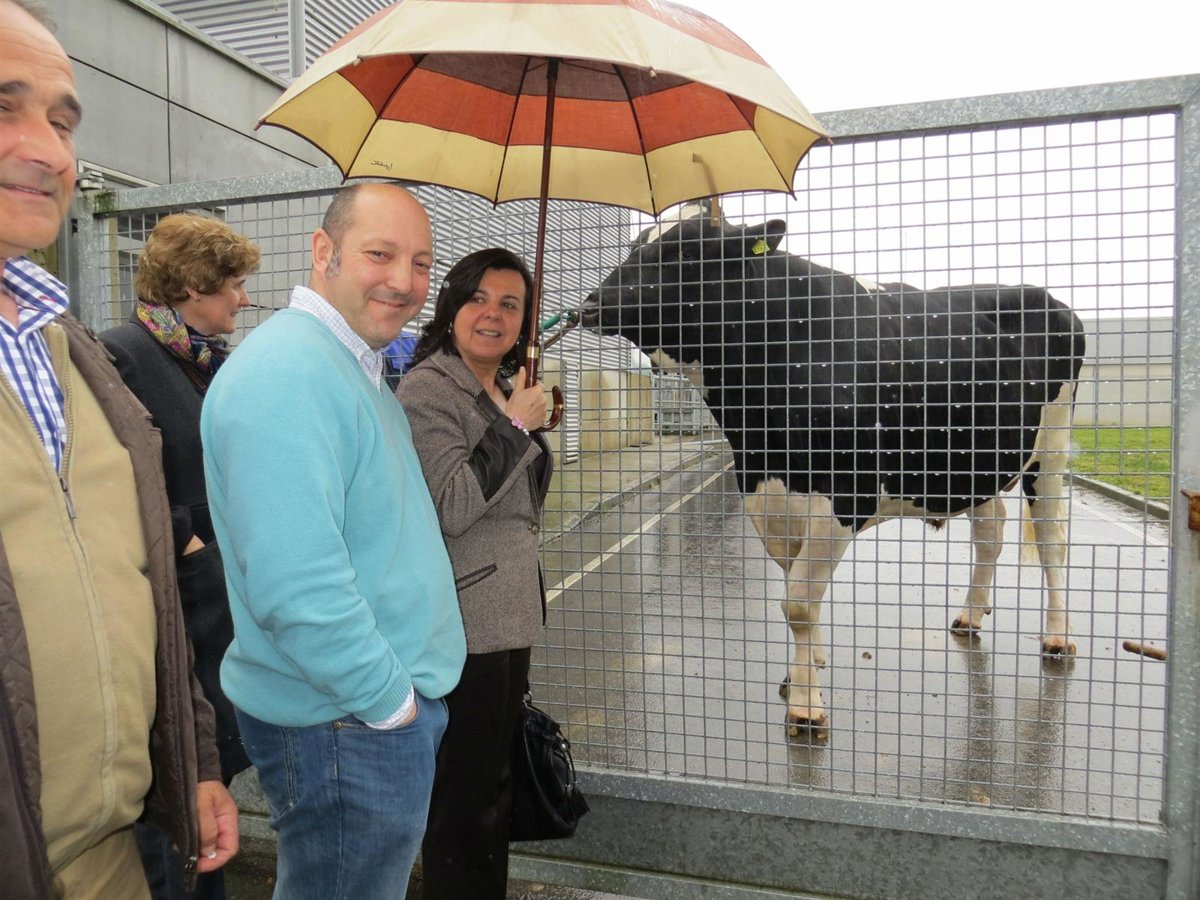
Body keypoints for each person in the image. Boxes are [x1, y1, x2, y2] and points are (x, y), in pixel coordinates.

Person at [0, 2, 238, 898]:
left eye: (63, 123)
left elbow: (127, 573)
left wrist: (192, 761)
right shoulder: (128, 351)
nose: (48, 150)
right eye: (3, 108)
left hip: (109, 852)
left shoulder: (71, 353)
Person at [200, 182, 467, 900]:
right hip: (347, 721)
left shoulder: (349, 365)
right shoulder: (289, 373)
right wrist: (390, 705)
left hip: (354, 715)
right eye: (380, 254)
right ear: (324, 252)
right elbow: (296, 586)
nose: (404, 281)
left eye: (421, 263)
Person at [100, 213, 260, 900]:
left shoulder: (205, 362)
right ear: (194, 284)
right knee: (174, 797)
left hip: (212, 605)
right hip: (170, 608)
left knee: (207, 782)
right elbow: (114, 473)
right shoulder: (122, 353)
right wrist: (186, 539)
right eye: (233, 285)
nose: (243, 299)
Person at [396, 247, 552, 899]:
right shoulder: (429, 389)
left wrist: (520, 418)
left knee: (493, 789)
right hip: (465, 624)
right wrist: (516, 427)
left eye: (510, 304)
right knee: (464, 802)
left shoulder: (504, 388)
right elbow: (454, 504)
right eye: (478, 298)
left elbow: (517, 503)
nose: (493, 314)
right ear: (452, 307)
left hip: (508, 618)